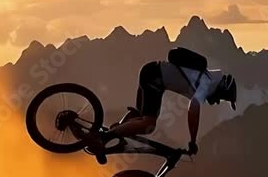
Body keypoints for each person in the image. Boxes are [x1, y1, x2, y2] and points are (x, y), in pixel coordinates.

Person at [100, 53, 237, 157]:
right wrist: (193, 140)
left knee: (142, 117)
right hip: (154, 78)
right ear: (222, 89)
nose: (218, 101)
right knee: (148, 125)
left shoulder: (206, 76)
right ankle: (104, 138)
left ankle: (117, 129)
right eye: (222, 98)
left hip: (151, 71)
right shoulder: (207, 84)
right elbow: (193, 109)